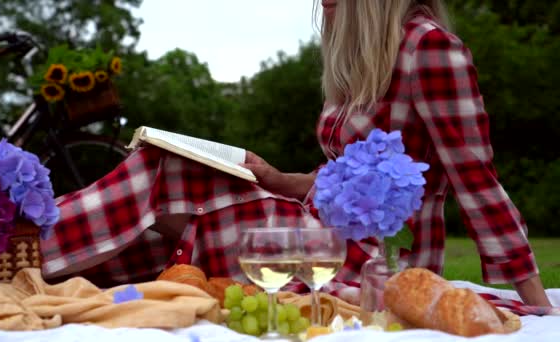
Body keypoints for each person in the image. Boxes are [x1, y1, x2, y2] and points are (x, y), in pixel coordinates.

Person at [41, 0, 551, 308]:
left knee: (165, 170)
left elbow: (476, 180)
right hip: (317, 226)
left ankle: (18, 242)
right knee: (166, 207)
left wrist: (537, 302)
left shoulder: (432, 49)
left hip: (376, 257)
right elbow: (343, 179)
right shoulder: (362, 57)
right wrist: (276, 177)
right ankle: (36, 269)